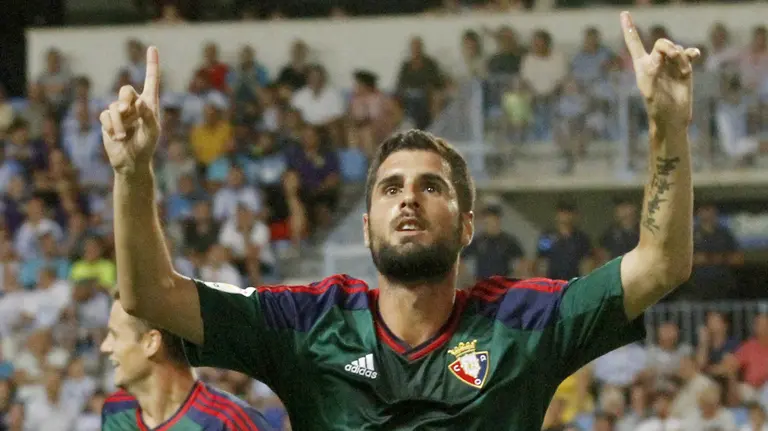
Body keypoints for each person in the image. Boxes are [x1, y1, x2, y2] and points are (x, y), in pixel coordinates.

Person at [98, 12, 699, 430]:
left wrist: (667, 127)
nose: (408, 199)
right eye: (390, 188)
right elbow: (149, 294)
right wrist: (133, 174)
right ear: (366, 228)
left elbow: (661, 264)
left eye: (430, 186)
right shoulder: (306, 325)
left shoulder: (524, 321)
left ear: (467, 226)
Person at [100, 293, 271, 430]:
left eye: (115, 335)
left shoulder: (231, 421)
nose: (104, 346)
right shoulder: (116, 411)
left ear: (151, 343)